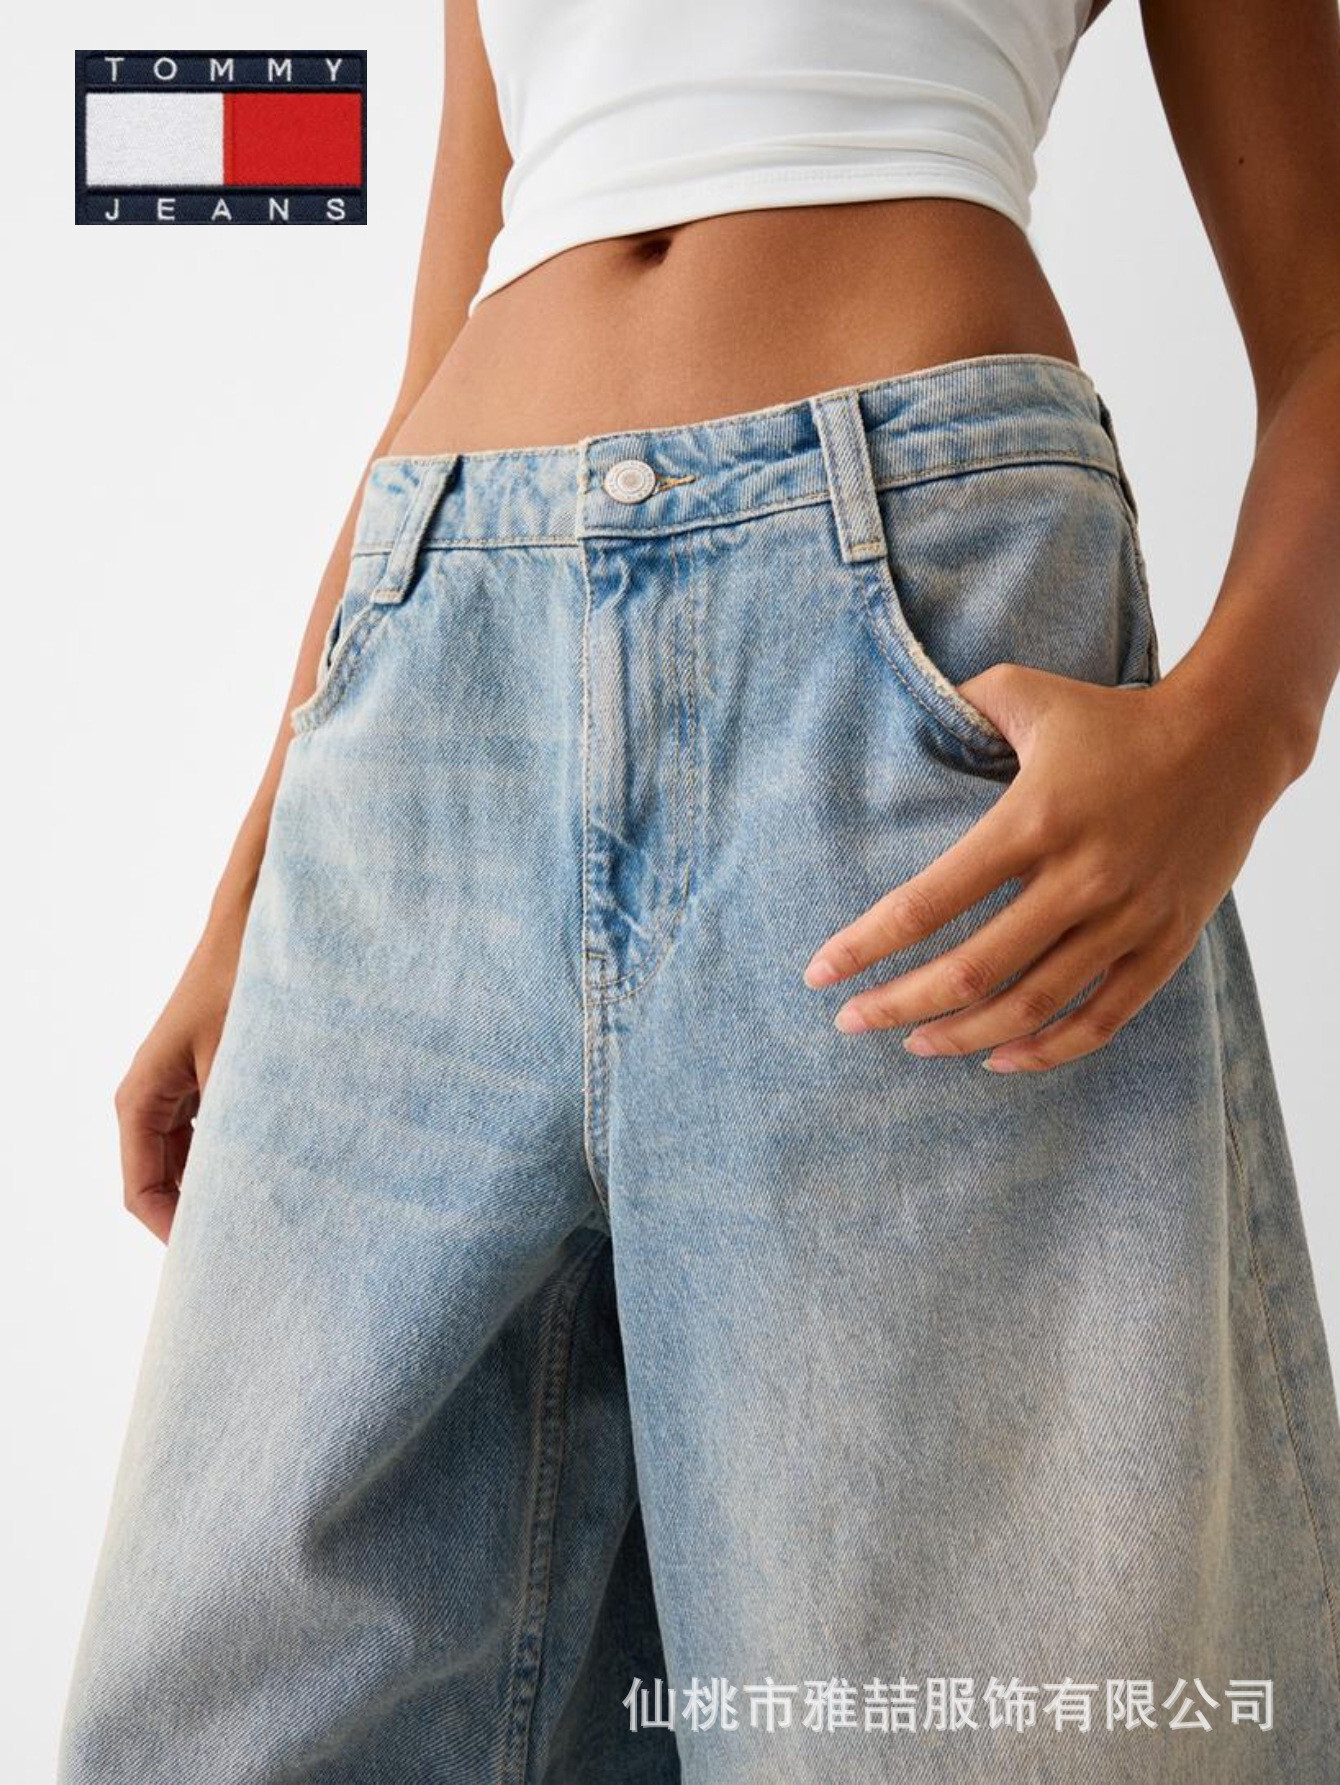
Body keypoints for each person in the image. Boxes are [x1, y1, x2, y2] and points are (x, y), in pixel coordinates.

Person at [59, 1, 1340, 1780]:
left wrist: (1244, 732)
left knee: (941, 1717)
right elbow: (447, 322)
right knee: (219, 1718)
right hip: (440, 675)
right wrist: (250, 885)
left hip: (900, 650)